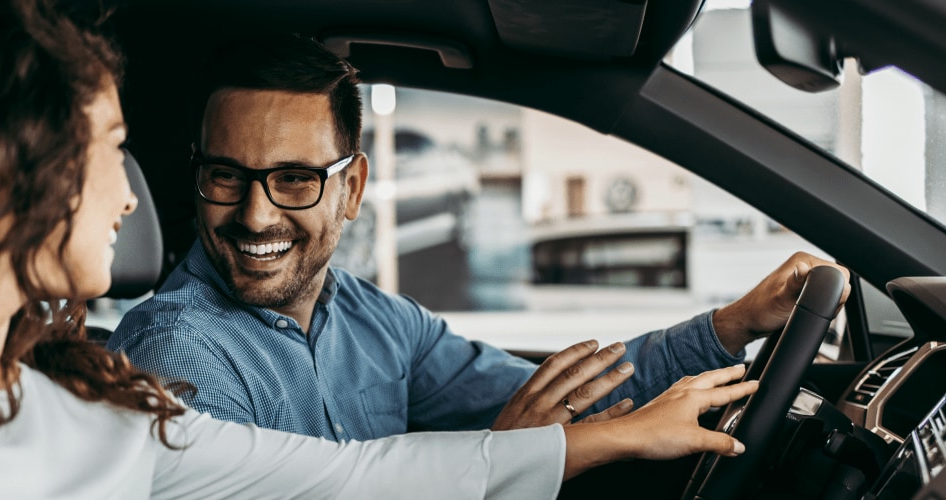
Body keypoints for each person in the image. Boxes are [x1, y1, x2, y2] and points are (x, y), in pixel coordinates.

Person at [0, 2, 759, 498]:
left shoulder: (71, 400)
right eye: (111, 154)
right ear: (13, 175)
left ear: (350, 187)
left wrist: (610, 435)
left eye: (294, 179)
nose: (132, 198)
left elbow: (353, 478)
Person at [108, 34, 848, 442]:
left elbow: (555, 395)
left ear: (353, 188)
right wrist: (501, 467)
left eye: (295, 179)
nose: (255, 215)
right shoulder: (174, 355)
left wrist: (730, 326)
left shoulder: (371, 318)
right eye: (227, 176)